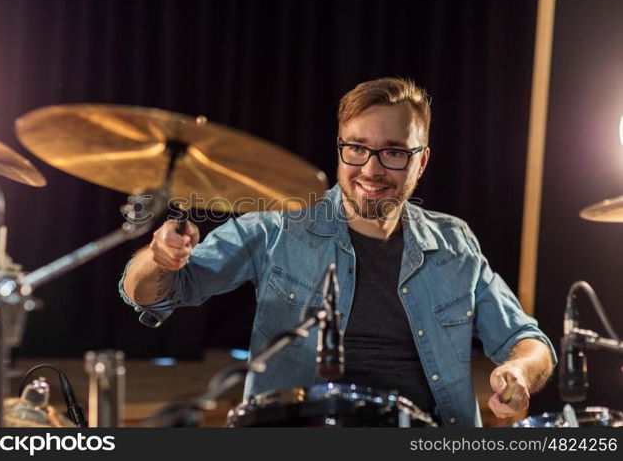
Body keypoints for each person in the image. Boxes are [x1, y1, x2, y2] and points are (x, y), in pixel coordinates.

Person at [119, 77, 556, 426]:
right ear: (340, 148)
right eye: (357, 148)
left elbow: (529, 341)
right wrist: (159, 259)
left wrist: (518, 372)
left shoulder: (454, 242)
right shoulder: (277, 226)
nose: (371, 168)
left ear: (421, 162)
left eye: (394, 153)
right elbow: (153, 292)